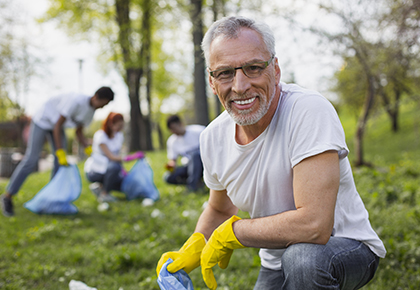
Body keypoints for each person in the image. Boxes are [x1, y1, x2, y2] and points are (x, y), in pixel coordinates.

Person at [156, 16, 386, 290]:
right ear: (212, 81)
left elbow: (314, 225)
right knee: (293, 259)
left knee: (302, 259)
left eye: (253, 68)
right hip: (275, 261)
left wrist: (235, 232)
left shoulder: (308, 111)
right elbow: (219, 208)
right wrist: (193, 246)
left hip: (345, 247)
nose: (240, 86)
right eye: (225, 73)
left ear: (275, 70)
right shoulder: (212, 138)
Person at [1, 86, 114, 217]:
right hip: (43, 121)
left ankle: (51, 200)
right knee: (31, 159)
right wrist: (60, 152)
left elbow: (79, 131)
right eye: (103, 103)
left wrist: (87, 147)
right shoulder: (77, 101)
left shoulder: (91, 112)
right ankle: (7, 196)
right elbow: (57, 125)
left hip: (57, 126)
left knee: (59, 164)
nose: (102, 107)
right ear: (96, 97)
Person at [84, 112, 144, 203]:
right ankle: (104, 194)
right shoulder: (101, 136)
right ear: (111, 124)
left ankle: (99, 187)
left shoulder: (119, 136)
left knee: (123, 184)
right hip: (96, 171)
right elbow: (111, 157)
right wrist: (130, 157)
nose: (121, 128)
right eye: (119, 126)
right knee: (115, 167)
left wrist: (123, 171)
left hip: (111, 170)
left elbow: (117, 155)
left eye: (122, 126)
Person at [164, 115, 205, 192]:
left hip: (204, 163)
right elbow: (173, 160)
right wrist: (171, 165)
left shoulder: (199, 131)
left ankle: (192, 186)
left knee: (195, 155)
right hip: (188, 166)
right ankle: (197, 183)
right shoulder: (172, 141)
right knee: (168, 177)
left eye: (174, 128)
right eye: (171, 129)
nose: (173, 131)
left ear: (180, 124)